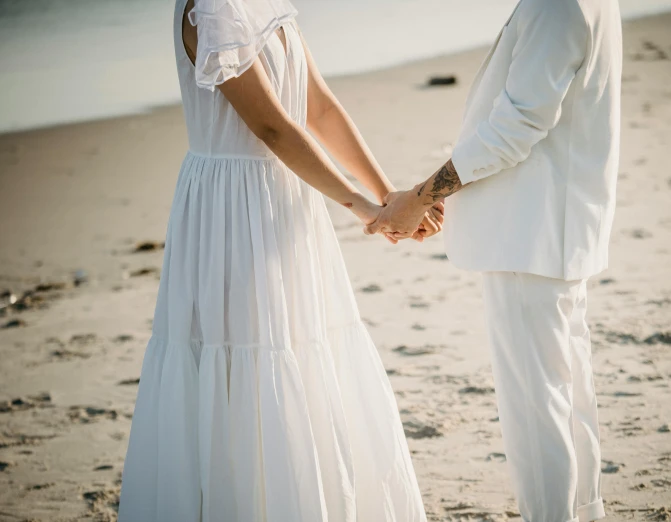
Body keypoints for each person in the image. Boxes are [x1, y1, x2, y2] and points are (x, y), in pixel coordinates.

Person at [118, 0, 437, 519]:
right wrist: (364, 210)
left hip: (285, 199)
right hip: (230, 208)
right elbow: (272, 128)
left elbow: (320, 109)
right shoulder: (212, 8)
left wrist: (388, 196)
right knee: (242, 361)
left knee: (302, 350)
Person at [366, 0, 623, 520]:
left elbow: (517, 125)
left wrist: (420, 195)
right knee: (568, 390)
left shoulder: (560, 6)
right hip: (553, 230)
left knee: (537, 408)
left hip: (529, 234)